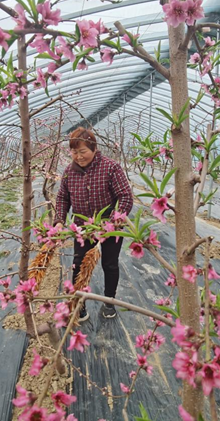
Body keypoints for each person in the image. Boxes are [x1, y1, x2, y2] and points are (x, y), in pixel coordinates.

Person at [54, 128, 133, 320]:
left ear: (94, 148)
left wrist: (114, 221)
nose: (79, 157)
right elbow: (63, 198)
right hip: (82, 230)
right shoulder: (68, 172)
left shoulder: (110, 167)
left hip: (109, 229)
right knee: (78, 265)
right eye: (74, 152)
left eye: (83, 152)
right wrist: (58, 221)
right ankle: (79, 303)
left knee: (110, 264)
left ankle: (109, 302)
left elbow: (125, 196)